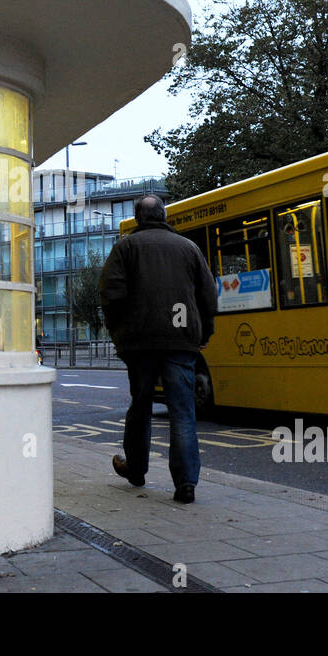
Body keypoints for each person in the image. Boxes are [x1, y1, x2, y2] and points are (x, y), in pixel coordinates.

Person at [98, 195, 217, 504]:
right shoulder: (188, 248)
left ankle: (136, 470)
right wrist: (205, 330)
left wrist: (119, 334)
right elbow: (208, 293)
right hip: (181, 340)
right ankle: (186, 483)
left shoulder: (125, 248)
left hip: (139, 342)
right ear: (164, 215)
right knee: (183, 411)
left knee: (141, 407)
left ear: (138, 218)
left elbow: (110, 294)